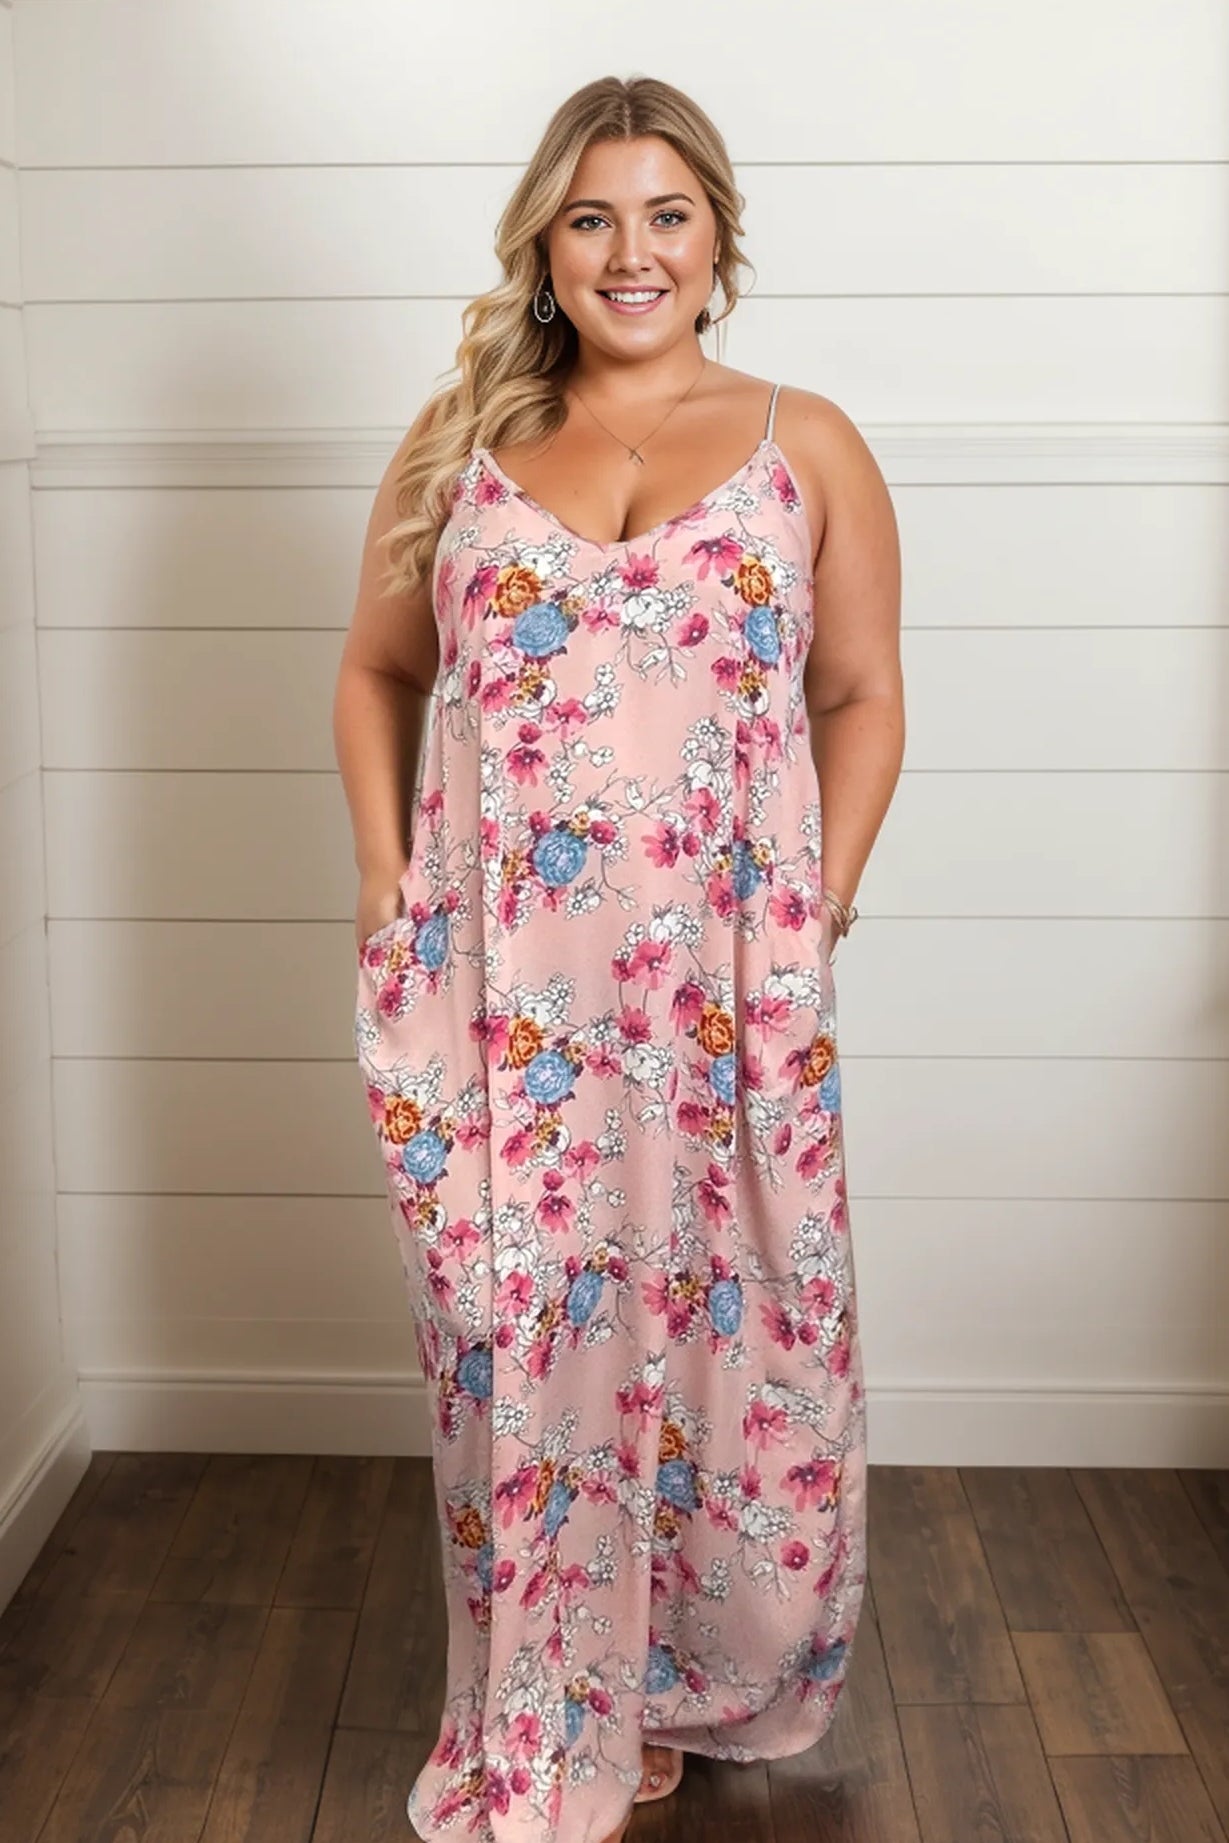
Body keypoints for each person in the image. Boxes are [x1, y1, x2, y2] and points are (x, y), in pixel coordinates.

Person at [333, 72, 903, 1843]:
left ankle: (690, 1677)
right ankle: (560, 1684)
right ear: (545, 244)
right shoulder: (462, 443)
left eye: (666, 213)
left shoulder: (805, 444)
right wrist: (386, 887)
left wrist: (814, 912)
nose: (630, 250)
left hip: (721, 994)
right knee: (512, 1334)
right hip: (495, 992)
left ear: (718, 237)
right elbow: (375, 671)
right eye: (591, 217)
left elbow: (861, 697)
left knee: (739, 1340)